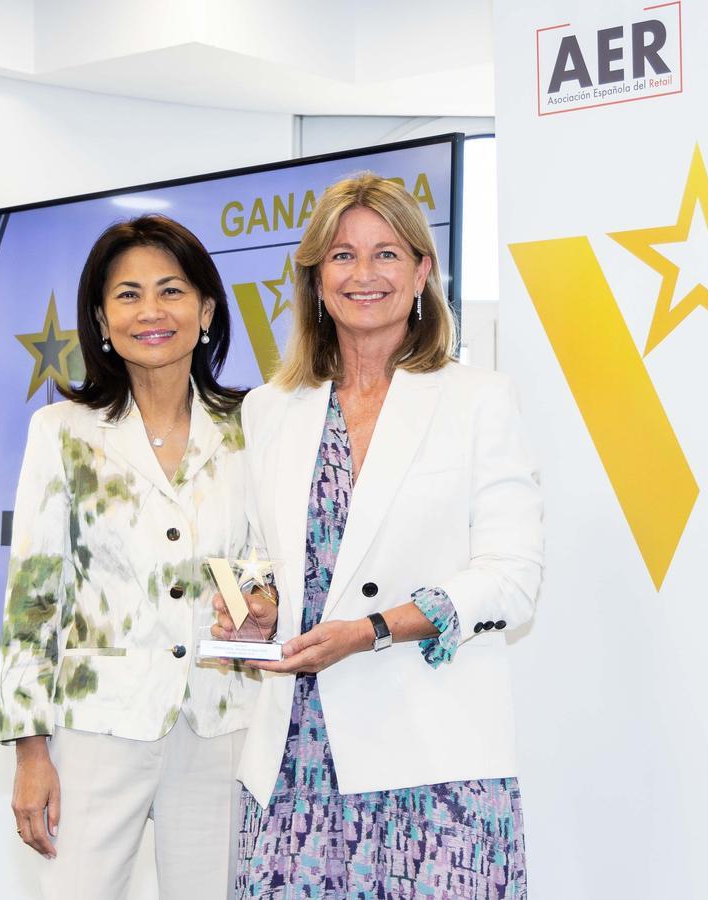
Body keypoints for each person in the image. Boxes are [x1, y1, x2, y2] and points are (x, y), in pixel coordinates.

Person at [216, 173, 543, 897]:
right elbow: (250, 554)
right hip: (294, 763)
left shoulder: (479, 398)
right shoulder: (269, 407)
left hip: (435, 766)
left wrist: (372, 630)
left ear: (422, 271)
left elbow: (512, 577)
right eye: (342, 255)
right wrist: (253, 608)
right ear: (316, 278)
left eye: (386, 253)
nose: (363, 273)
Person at [0, 214, 256, 900]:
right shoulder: (63, 431)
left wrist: (258, 608)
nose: (151, 311)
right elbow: (33, 600)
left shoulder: (251, 426)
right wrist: (30, 751)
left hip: (219, 722)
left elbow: (259, 565)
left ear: (206, 310)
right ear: (101, 320)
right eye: (128, 294)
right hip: (98, 725)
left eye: (171, 291)